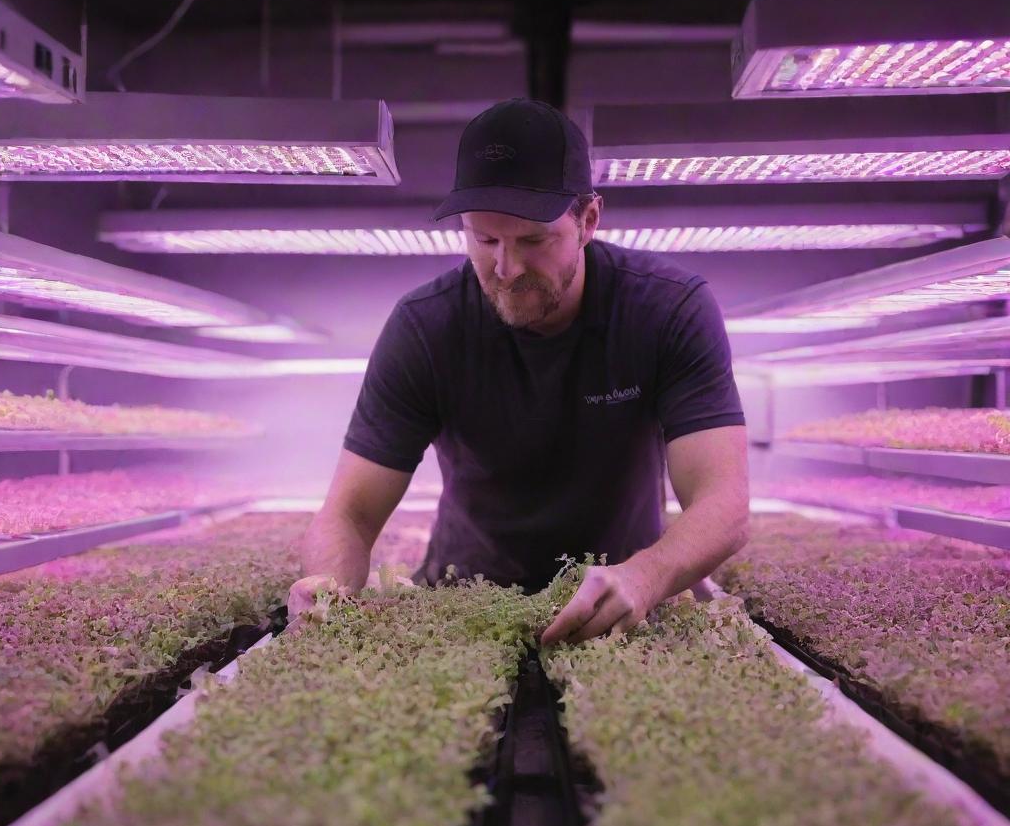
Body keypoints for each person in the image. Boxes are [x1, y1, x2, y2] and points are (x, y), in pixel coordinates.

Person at [287, 98, 749, 644]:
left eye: (533, 240)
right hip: (464, 611)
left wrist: (646, 577)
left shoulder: (666, 310)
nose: (506, 269)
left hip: (619, 614)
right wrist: (326, 583)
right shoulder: (425, 328)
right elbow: (351, 512)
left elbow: (725, 503)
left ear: (588, 221)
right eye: (484, 240)